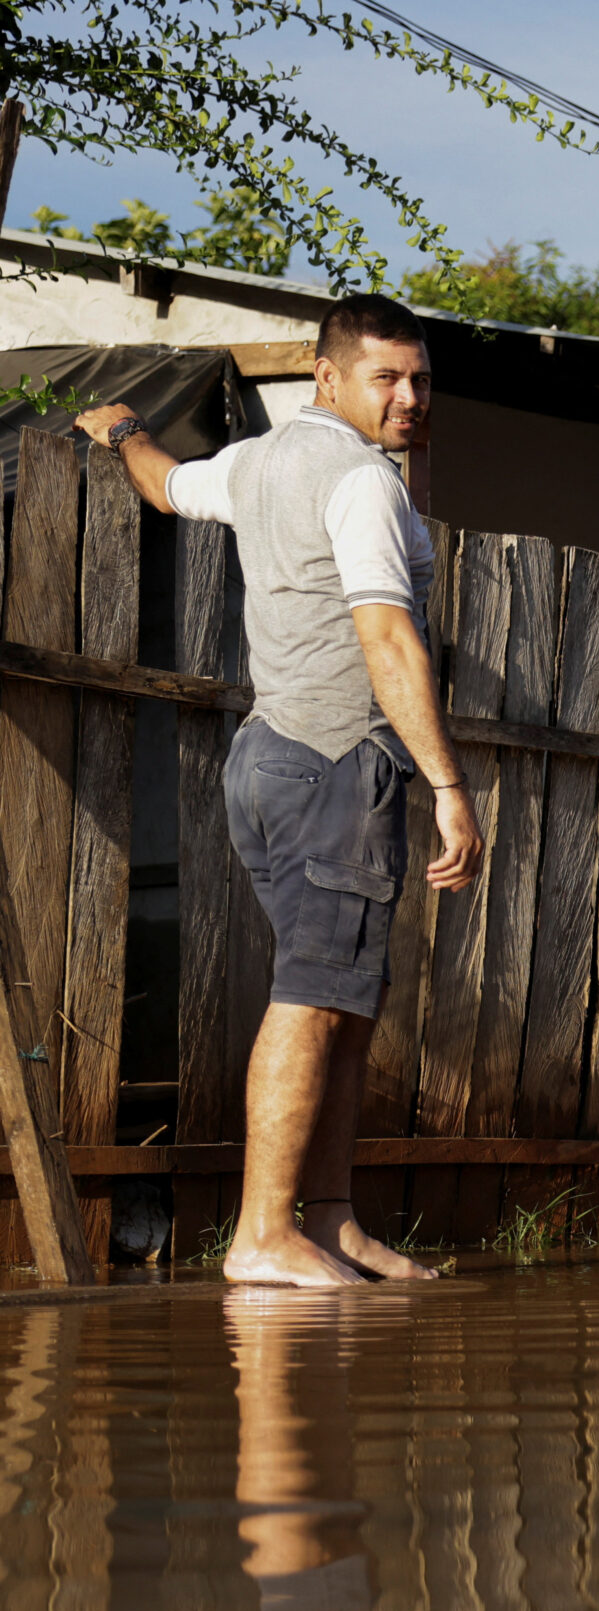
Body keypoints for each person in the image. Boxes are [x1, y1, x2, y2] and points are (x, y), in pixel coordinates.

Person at [75, 294, 485, 1288]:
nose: (408, 396)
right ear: (328, 377)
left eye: (421, 378)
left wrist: (124, 427)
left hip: (269, 762)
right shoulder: (356, 485)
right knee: (312, 995)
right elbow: (388, 638)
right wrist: (447, 784)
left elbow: (168, 487)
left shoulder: (260, 462)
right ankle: (262, 1232)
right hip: (337, 760)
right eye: (386, 377)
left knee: (345, 995)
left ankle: (332, 1222)